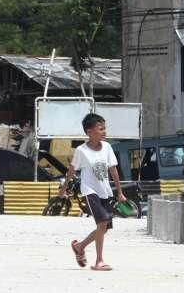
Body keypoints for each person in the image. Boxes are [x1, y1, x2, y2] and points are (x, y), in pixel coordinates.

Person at [59, 113, 126, 271]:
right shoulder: (81, 151)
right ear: (89, 131)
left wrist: (120, 192)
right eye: (100, 128)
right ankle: (99, 261)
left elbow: (113, 170)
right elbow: (71, 170)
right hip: (90, 191)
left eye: (104, 128)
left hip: (105, 191)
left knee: (104, 228)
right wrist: (63, 189)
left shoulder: (107, 148)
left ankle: (80, 246)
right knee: (102, 223)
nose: (104, 131)